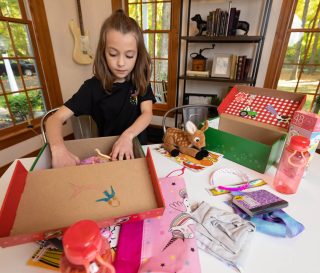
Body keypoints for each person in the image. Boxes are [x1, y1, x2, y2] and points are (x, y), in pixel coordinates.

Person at [46, 9, 155, 168]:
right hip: (108, 156)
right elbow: (54, 119)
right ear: (103, 53)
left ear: (138, 55)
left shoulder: (140, 79)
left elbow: (147, 113)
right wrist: (58, 149)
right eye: (113, 54)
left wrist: (127, 136)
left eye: (129, 55)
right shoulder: (92, 88)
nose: (121, 63)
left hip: (139, 152)